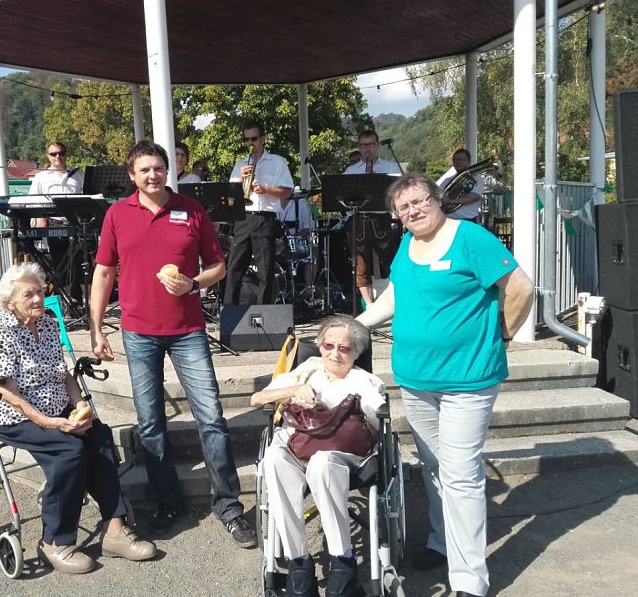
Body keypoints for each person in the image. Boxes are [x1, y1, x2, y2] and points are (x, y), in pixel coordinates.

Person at [356, 173, 534, 597]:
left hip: (467, 379)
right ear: (398, 217)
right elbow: (395, 296)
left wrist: (502, 337)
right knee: (434, 468)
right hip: (416, 378)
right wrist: (352, 327)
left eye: (419, 201)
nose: (413, 210)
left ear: (437, 200)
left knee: (461, 475)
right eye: (404, 207)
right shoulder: (408, 245)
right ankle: (442, 542)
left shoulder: (469, 237)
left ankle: (469, 580)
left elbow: (521, 289)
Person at [89, 140, 257, 547]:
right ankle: (168, 501)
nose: (152, 175)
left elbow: (217, 266)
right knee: (150, 424)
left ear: (168, 171)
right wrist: (96, 328)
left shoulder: (192, 210)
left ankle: (228, 506)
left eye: (158, 168)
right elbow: (103, 272)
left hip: (187, 330)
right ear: (132, 176)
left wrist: (193, 283)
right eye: (144, 169)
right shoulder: (117, 214)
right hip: (138, 330)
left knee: (212, 418)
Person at [0, 263, 156, 574]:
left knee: (98, 436)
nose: (37, 299)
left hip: (57, 408)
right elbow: (8, 393)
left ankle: (115, 529)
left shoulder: (46, 323)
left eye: (39, 292)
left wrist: (77, 405)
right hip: (14, 415)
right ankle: (54, 542)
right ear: (9, 302)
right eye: (28, 294)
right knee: (68, 451)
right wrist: (50, 423)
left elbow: (63, 375)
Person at [250, 316, 385, 597]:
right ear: (320, 346)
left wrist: (362, 408)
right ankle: (298, 561)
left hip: (342, 457)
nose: (335, 353)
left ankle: (343, 562)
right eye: (328, 345)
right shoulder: (307, 370)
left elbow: (380, 417)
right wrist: (293, 391)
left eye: (344, 348)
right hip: (298, 448)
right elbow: (257, 399)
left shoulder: (364, 380)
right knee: (273, 460)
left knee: (323, 463)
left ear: (356, 352)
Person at [225, 121, 294, 305]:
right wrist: (240, 179)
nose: (250, 143)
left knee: (265, 270)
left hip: (265, 218)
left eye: (254, 138)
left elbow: (287, 191)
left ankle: (265, 312)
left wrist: (266, 189)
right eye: (246, 139)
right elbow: (230, 198)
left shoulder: (278, 162)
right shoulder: (240, 164)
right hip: (244, 218)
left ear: (262, 139)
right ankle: (230, 311)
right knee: (235, 267)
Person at [343, 130, 402, 307]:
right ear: (359, 148)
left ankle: (395, 302)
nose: (367, 149)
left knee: (391, 261)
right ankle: (369, 305)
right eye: (363, 145)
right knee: (360, 265)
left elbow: (399, 193)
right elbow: (344, 199)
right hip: (358, 219)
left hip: (381, 219)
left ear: (377, 146)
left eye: (370, 144)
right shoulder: (351, 171)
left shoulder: (390, 167)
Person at [28, 142, 87, 301]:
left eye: (61, 153)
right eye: (53, 154)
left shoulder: (78, 175)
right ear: (48, 156)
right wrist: (40, 218)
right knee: (60, 264)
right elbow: (33, 201)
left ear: (66, 154)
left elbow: (87, 199)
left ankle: (88, 301)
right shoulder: (41, 177)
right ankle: (68, 301)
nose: (58, 157)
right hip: (54, 223)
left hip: (76, 224)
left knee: (82, 264)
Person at [436, 148, 483, 222]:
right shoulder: (447, 180)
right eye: (455, 160)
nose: (458, 162)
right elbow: (438, 196)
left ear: (468, 161)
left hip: (468, 220)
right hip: (448, 220)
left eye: (461, 159)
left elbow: (474, 197)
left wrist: (450, 201)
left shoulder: (476, 179)